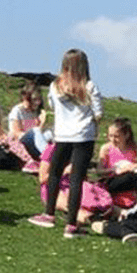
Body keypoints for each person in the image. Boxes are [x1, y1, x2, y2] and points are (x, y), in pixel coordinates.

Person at [27, 49, 103, 238]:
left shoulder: (56, 86)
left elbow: (52, 106)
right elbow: (98, 113)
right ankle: (71, 225)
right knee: (77, 178)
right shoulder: (90, 86)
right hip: (84, 137)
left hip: (62, 135)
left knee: (54, 173)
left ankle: (49, 214)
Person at [8, 84, 51, 172]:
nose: (37, 103)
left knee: (51, 132)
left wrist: (42, 122)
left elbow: (38, 133)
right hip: (21, 141)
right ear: (26, 98)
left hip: (34, 140)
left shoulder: (34, 112)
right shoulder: (17, 110)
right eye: (35, 99)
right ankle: (49, 156)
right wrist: (37, 129)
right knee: (36, 130)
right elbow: (16, 133)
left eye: (38, 100)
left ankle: (63, 155)